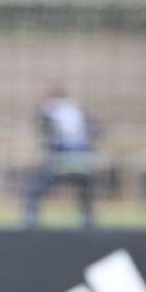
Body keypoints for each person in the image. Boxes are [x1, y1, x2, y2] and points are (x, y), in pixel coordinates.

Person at [24, 86, 99, 229]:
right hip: (84, 158)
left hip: (63, 157)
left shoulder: (52, 110)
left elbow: (45, 127)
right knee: (84, 194)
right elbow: (96, 129)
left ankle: (30, 223)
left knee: (36, 191)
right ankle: (89, 225)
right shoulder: (78, 110)